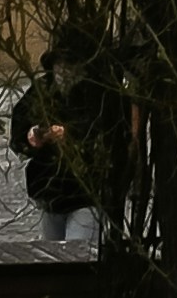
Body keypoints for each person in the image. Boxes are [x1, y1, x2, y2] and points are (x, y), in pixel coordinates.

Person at [15, 42, 112, 255]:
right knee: (53, 257)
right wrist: (31, 136)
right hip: (49, 191)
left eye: (71, 63)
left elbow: (105, 132)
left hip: (86, 191)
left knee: (75, 255)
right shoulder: (42, 89)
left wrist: (69, 135)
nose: (65, 69)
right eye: (60, 63)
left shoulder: (97, 93)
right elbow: (20, 125)